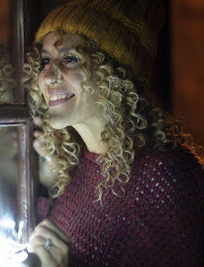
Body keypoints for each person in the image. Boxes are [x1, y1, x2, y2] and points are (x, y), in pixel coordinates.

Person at [23, 0, 204, 266]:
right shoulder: (77, 164)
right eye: (46, 61)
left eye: (70, 58)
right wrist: (48, 178)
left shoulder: (163, 175)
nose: (48, 76)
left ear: (115, 74)